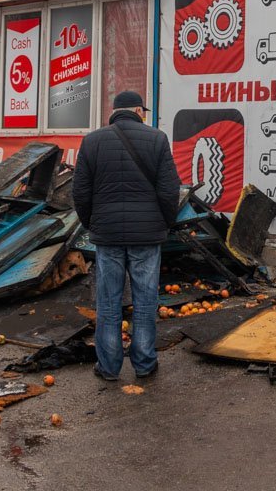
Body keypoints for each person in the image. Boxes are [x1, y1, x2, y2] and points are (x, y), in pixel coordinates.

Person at [73, 90, 180, 381]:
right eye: (142, 111)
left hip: (107, 236)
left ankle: (108, 367)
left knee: (108, 302)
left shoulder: (92, 141)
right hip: (147, 235)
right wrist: (164, 223)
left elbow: (80, 193)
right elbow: (170, 191)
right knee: (145, 301)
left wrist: (92, 224)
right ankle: (144, 364)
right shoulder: (157, 139)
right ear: (137, 111)